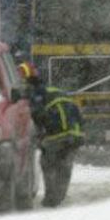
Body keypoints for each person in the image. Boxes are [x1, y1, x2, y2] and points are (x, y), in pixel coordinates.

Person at [18, 61, 84, 207]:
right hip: (75, 133)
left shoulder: (36, 94)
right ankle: (59, 196)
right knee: (65, 165)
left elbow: (37, 115)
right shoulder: (54, 91)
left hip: (57, 134)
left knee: (48, 164)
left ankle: (51, 198)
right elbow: (77, 112)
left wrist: (40, 134)